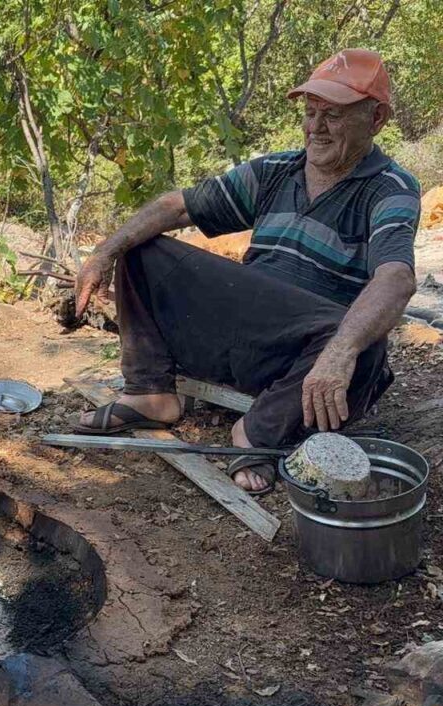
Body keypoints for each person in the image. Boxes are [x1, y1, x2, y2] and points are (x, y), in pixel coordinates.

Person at [72, 49, 419, 494]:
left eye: (332, 116)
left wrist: (340, 351)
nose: (315, 127)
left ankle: (256, 431)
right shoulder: (275, 170)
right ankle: (149, 391)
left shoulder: (391, 187)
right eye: (310, 113)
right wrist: (103, 253)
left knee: (365, 345)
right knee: (140, 249)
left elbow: (396, 277)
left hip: (304, 361)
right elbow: (176, 207)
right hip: (237, 336)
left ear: (375, 120)